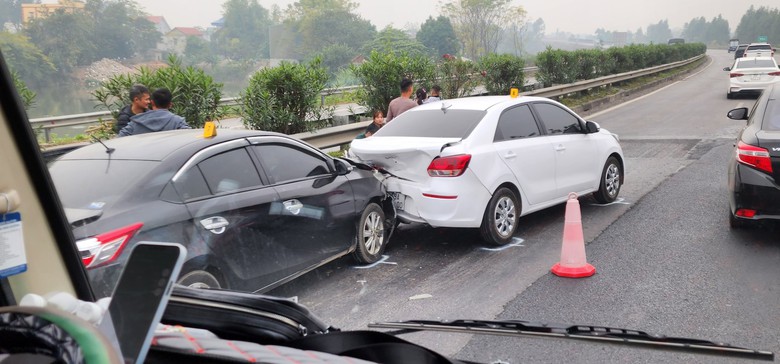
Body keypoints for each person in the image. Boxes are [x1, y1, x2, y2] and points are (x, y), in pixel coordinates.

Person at [118, 88, 190, 137]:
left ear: (152, 103)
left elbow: (120, 140)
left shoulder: (135, 123)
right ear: (170, 104)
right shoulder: (178, 123)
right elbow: (189, 140)